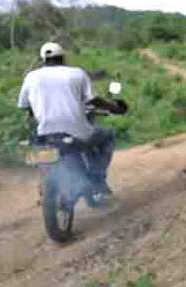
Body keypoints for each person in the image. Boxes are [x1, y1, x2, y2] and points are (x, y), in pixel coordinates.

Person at [18, 42, 126, 197]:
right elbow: (93, 100)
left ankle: (46, 184)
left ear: (43, 59)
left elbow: (24, 105)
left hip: (45, 133)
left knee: (39, 149)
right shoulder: (77, 73)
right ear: (63, 57)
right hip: (76, 132)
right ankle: (97, 180)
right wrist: (114, 107)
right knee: (106, 136)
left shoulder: (31, 77)